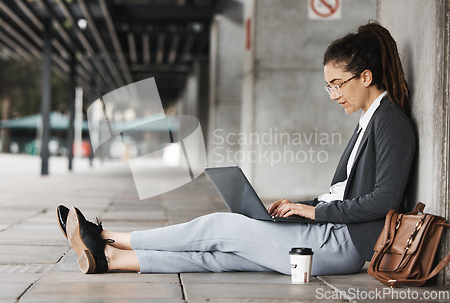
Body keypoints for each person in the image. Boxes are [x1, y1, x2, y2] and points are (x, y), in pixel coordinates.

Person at [57, 21, 416, 275]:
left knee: (216, 228)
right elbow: (345, 193)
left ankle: (104, 236)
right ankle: (110, 260)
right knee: (220, 256)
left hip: (343, 245)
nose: (334, 95)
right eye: (329, 87)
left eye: (338, 84)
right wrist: (302, 206)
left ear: (366, 77)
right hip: (330, 232)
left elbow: (384, 201)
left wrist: (314, 214)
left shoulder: (391, 122)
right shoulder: (368, 121)